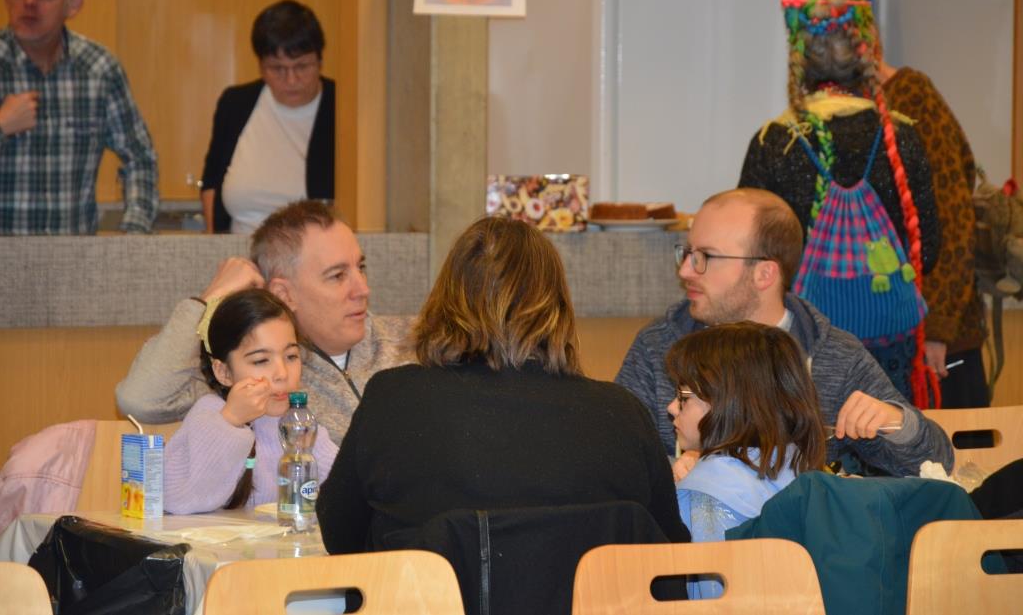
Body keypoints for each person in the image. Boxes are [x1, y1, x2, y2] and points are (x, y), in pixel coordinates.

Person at [316, 216, 689, 554]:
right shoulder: (622, 415)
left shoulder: (393, 401)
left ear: (447, 301)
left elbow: (339, 538)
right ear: (557, 307)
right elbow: (670, 559)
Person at [615, 188, 954, 477]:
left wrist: (896, 423)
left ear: (764, 274)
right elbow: (615, 457)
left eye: (705, 256)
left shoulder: (833, 356)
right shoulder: (658, 347)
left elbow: (938, 463)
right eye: (687, 253)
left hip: (799, 536)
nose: (686, 271)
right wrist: (672, 473)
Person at [738, 0, 941, 406]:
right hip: (890, 345)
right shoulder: (902, 137)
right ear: (865, 48)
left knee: (805, 441)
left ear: (799, 54)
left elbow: (747, 256)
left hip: (800, 347)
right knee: (887, 438)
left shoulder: (775, 141)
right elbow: (928, 248)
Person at [115, 200, 414, 445]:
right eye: (338, 276)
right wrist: (209, 299)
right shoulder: (256, 372)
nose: (363, 289)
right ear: (284, 294)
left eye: (361, 267)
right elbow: (140, 399)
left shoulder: (414, 340)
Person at [0, 0, 158, 235]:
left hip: (74, 256)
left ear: (73, 4)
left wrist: (133, 234)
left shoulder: (99, 69)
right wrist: (1, 124)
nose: (29, 1)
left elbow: (140, 157)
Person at [666, 321, 826, 598]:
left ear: (727, 401)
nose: (671, 407)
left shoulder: (708, 494)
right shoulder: (796, 462)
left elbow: (716, 601)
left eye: (683, 396)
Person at [877, 47, 988, 408]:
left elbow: (953, 216)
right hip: (907, 334)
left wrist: (938, 327)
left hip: (941, 341)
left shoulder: (911, 95)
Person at [164, 288, 338, 514]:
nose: (282, 373)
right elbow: (176, 500)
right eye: (261, 360)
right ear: (223, 372)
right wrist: (231, 420)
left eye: (291, 356)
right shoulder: (209, 415)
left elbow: (345, 484)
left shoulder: (298, 424)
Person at [200, 0, 334, 234]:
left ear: (320, 61)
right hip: (240, 251)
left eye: (302, 66)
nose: (291, 80)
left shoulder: (341, 107)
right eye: (277, 68)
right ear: (261, 66)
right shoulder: (235, 104)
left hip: (312, 254)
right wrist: (214, 243)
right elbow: (211, 183)